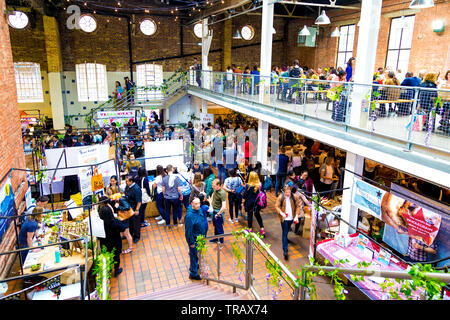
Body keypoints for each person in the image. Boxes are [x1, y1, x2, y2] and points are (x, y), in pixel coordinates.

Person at [98, 197, 125, 277]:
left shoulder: (100, 224)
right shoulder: (114, 222)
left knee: (107, 257)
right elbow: (123, 228)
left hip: (105, 243)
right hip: (115, 242)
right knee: (116, 256)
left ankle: (108, 271)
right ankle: (116, 270)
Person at [184, 197, 207, 280]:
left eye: (199, 203)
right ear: (191, 204)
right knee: (193, 255)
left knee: (196, 254)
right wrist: (191, 243)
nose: (198, 205)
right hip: (194, 240)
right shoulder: (189, 216)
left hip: (201, 237)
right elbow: (188, 232)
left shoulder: (199, 210)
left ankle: (194, 266)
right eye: (196, 204)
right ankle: (193, 273)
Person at [275, 185, 300, 260]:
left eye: (289, 192)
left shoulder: (294, 197)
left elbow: (298, 206)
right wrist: (281, 213)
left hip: (291, 218)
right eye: (286, 192)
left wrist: (296, 216)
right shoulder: (281, 197)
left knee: (287, 230)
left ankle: (286, 239)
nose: (288, 194)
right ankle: (285, 250)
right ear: (284, 192)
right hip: (284, 219)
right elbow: (276, 206)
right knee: (284, 233)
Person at [242, 171, 265, 236]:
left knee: (250, 216)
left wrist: (242, 202)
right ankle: (262, 229)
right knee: (258, 216)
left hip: (249, 204)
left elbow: (245, 195)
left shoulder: (248, 185)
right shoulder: (260, 185)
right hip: (257, 204)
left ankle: (250, 229)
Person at [124, 175, 142, 245]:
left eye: (127, 181)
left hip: (134, 209)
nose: (126, 182)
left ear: (131, 181)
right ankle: (130, 234)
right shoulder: (128, 186)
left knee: (136, 223)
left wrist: (137, 210)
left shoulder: (136, 189)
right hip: (129, 208)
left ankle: (137, 236)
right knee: (130, 222)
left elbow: (139, 201)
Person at [209, 179, 227, 246]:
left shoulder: (222, 193)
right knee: (215, 226)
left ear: (218, 185)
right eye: (212, 186)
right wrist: (211, 200)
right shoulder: (215, 190)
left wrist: (218, 214)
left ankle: (221, 242)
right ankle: (216, 238)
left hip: (218, 213)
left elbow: (224, 207)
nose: (212, 187)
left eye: (214, 186)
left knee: (219, 228)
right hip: (214, 211)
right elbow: (213, 194)